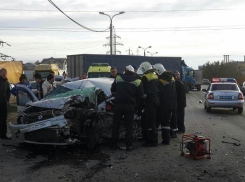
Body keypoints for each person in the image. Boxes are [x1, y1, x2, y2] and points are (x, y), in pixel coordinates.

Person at [111, 65, 144, 151]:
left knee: (116, 125)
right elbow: (140, 96)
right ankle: (129, 145)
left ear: (125, 71)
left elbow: (112, 89)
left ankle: (113, 145)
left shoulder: (118, 77)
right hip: (129, 106)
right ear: (133, 72)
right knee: (129, 126)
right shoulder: (137, 81)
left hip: (118, 105)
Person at [153, 64, 177, 145]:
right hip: (171, 105)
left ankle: (154, 140)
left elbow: (158, 93)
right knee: (166, 123)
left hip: (163, 105)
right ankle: (166, 140)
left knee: (157, 122)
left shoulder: (161, 81)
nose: (155, 74)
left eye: (155, 72)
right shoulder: (171, 79)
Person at [139, 62, 160, 147]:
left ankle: (152, 141)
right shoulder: (155, 75)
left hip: (149, 101)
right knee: (153, 121)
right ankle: (152, 138)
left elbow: (142, 90)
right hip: (156, 100)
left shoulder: (145, 77)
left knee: (150, 122)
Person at [0, 68, 11, 139]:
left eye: (5, 73)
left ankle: (3, 134)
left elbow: (8, 91)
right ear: (0, 73)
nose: (5, 75)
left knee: (4, 118)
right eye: (4, 73)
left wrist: (7, 98)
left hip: (3, 103)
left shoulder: (6, 82)